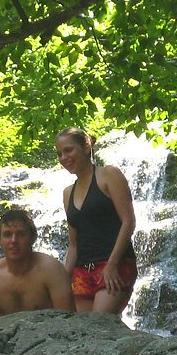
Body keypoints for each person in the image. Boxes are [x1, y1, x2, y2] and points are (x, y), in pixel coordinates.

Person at [57, 127, 137, 315]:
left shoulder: (109, 175)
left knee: (98, 324)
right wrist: (61, 282)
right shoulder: (67, 193)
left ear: (86, 147)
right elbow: (74, 245)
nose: (63, 158)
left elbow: (128, 222)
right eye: (59, 153)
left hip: (115, 266)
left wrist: (112, 265)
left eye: (68, 150)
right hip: (82, 271)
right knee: (83, 332)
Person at [0, 208, 74, 321]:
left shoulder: (52, 270)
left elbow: (69, 321)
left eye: (21, 234)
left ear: (32, 238)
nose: (14, 241)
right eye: (7, 235)